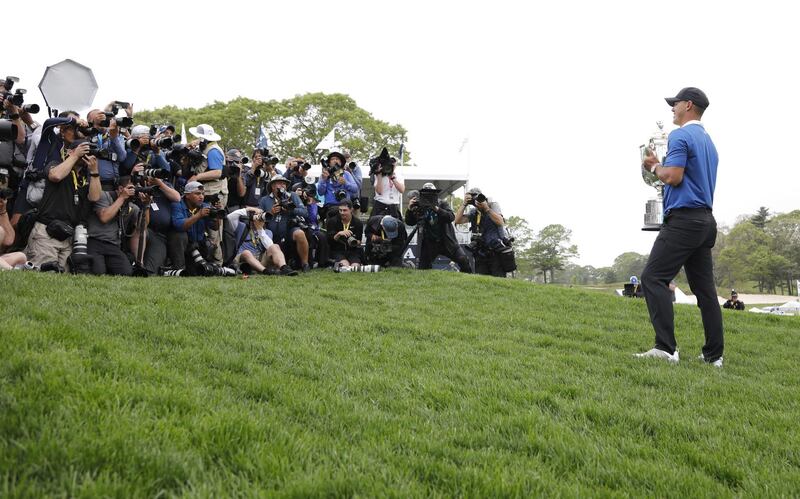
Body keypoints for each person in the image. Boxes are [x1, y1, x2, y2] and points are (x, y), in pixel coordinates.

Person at [636, 87, 723, 367]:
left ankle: (666, 348)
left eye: (675, 104)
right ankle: (714, 356)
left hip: (684, 219)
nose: (672, 109)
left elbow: (672, 176)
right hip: (705, 221)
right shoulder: (709, 142)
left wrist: (653, 167)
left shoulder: (680, 135)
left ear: (688, 105)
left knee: (652, 278)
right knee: (705, 291)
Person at [25, 127, 103, 269]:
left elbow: (95, 197)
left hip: (67, 235)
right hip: (46, 232)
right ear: (69, 152)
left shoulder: (85, 178)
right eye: (82, 150)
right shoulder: (55, 164)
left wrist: (95, 172)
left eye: (87, 152)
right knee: (42, 277)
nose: (84, 154)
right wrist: (74, 156)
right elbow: (55, 176)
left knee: (61, 283)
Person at [404, 183, 472, 273]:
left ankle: (468, 278)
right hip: (430, 243)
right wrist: (410, 208)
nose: (429, 197)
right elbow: (410, 222)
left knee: (463, 259)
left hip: (446, 241)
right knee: (423, 269)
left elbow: (451, 217)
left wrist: (436, 208)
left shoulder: (442, 203)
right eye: (426, 194)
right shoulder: (420, 205)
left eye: (432, 194)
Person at [85, 176, 140, 276]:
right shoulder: (103, 196)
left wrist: (147, 206)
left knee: (126, 273)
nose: (133, 191)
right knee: (98, 273)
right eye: (131, 188)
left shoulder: (132, 207)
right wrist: (122, 197)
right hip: (95, 241)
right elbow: (104, 217)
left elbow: (142, 227)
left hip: (113, 245)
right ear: (120, 189)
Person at [258, 175, 311, 271]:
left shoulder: (292, 196)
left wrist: (290, 209)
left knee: (300, 233)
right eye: (279, 183)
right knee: (265, 235)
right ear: (273, 186)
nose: (282, 185)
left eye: (284, 183)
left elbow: (305, 213)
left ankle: (305, 264)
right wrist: (271, 212)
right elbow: (258, 218)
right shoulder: (264, 200)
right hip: (270, 232)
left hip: (289, 230)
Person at [455, 187, 509, 277]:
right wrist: (464, 204)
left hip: (496, 251)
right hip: (481, 251)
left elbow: (500, 222)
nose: (477, 201)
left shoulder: (492, 205)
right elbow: (457, 220)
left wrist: (486, 208)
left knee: (498, 279)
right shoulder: (474, 212)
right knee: (481, 279)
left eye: (478, 197)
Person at [327, 200, 363, 269]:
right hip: (337, 250)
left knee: (355, 267)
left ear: (351, 210)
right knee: (345, 266)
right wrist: (338, 234)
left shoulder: (358, 223)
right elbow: (329, 240)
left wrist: (354, 242)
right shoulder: (332, 221)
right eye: (340, 210)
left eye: (345, 210)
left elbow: (359, 241)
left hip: (352, 251)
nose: (342, 213)